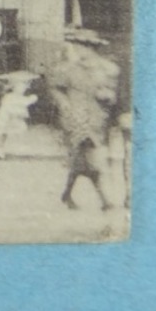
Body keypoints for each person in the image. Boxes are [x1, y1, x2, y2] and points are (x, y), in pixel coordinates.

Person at [48, 27, 121, 210]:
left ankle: (67, 194)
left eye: (81, 46)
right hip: (76, 120)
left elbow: (112, 94)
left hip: (98, 119)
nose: (78, 50)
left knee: (81, 162)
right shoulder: (69, 69)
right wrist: (64, 103)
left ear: (91, 48)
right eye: (76, 46)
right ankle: (106, 201)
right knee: (95, 158)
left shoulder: (107, 68)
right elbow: (55, 87)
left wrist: (107, 95)